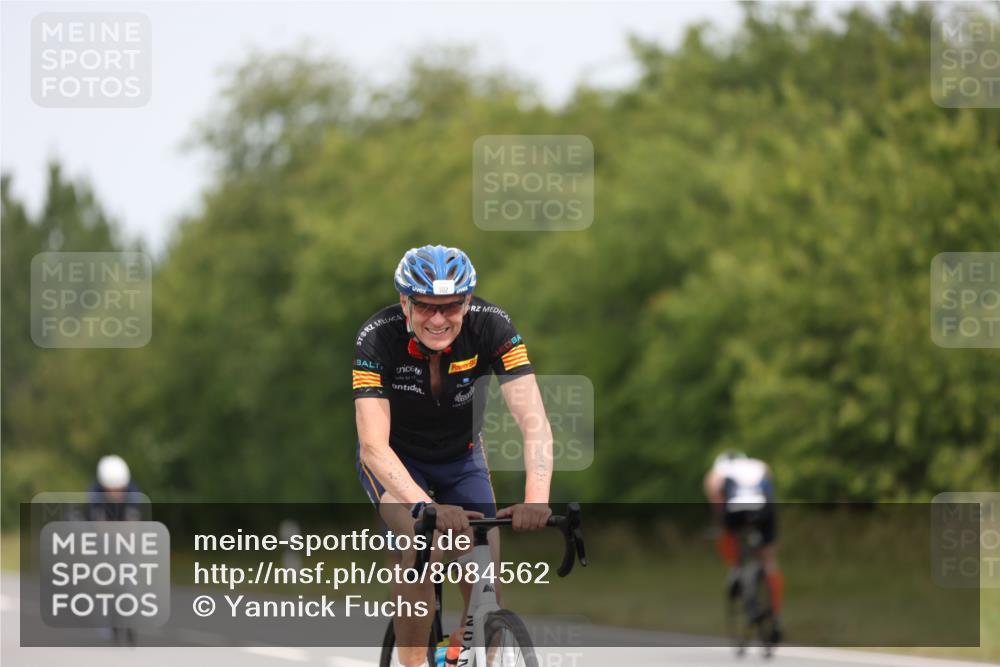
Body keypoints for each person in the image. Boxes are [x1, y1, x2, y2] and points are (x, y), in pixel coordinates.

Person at [354, 245, 554, 667]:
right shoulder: (377, 336)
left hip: (461, 459)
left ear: (466, 302)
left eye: (450, 306)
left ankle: (462, 655)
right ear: (405, 302)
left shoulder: (493, 326)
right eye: (426, 306)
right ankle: (413, 663)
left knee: (485, 579)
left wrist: (537, 497)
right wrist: (428, 507)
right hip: (397, 462)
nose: (439, 319)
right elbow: (373, 446)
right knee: (421, 548)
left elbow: (534, 420)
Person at [703, 450, 783, 643]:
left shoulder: (718, 470)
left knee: (725, 532)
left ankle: (734, 569)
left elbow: (714, 491)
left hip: (736, 508)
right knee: (770, 560)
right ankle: (776, 616)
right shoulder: (758, 464)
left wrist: (720, 519)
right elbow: (769, 484)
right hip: (764, 508)